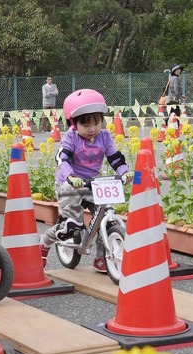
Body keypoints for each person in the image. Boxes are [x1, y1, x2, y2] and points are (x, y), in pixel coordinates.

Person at [39, 89, 134, 273]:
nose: (92, 129)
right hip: (69, 185)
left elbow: (115, 158)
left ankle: (101, 257)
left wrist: (125, 173)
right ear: (73, 123)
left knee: (107, 218)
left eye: (96, 123)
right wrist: (71, 176)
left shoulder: (104, 136)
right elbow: (62, 159)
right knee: (72, 225)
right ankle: (44, 242)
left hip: (92, 184)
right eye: (86, 124)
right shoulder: (71, 139)